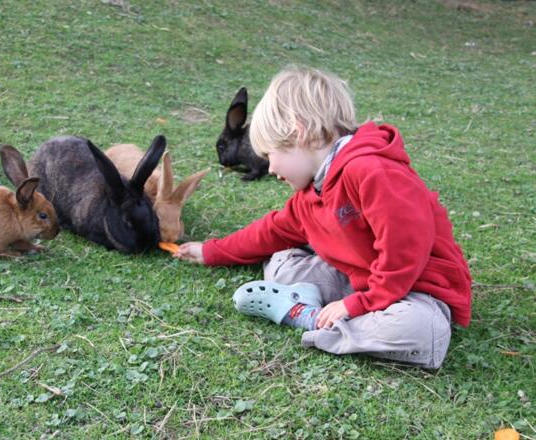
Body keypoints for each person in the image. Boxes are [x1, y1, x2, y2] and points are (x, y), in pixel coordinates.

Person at [175, 66, 472, 369]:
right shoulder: (311, 192)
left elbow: (403, 253)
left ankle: (312, 320)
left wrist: (359, 303)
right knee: (280, 263)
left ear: (298, 132)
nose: (271, 169)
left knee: (420, 331)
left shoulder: (373, 172)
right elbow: (271, 231)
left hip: (416, 291)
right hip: (362, 280)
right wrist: (211, 251)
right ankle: (320, 311)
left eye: (270, 155)